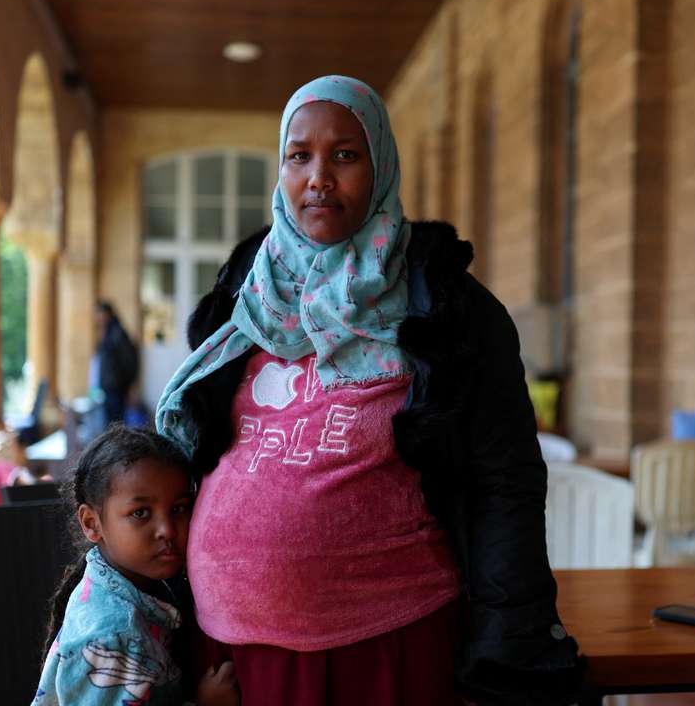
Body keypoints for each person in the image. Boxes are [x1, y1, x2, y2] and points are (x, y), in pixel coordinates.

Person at [155, 76, 584, 705]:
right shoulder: (243, 296)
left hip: (382, 648)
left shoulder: (446, 310)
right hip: (230, 659)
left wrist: (507, 650)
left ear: (381, 164)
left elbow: (504, 485)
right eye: (299, 155)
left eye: (345, 155)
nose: (319, 177)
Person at [35, 424, 239, 706]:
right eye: (140, 513)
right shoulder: (114, 637)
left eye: (179, 508)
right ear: (92, 523)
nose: (167, 529)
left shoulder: (134, 582)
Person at [93, 301, 140, 426]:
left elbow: (129, 360)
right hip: (108, 387)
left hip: (117, 388)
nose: (97, 317)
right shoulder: (107, 332)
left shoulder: (117, 333)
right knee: (110, 423)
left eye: (99, 313)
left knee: (116, 423)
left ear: (108, 314)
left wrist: (131, 385)